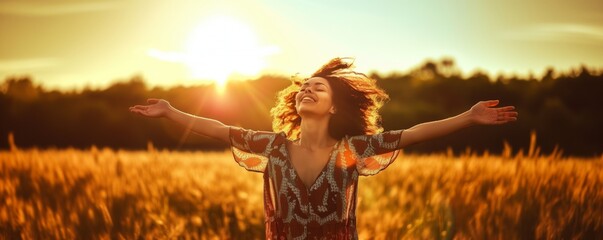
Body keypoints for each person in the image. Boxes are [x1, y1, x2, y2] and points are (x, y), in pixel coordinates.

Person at [129, 57, 518, 239]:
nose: (306, 91)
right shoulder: (274, 147)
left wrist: (467, 117)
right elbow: (219, 129)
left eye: (318, 87)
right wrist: (170, 111)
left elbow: (412, 133)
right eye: (303, 87)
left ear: (333, 106)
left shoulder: (353, 150)